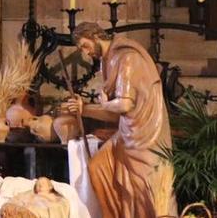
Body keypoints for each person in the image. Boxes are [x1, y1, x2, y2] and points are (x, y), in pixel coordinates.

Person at [62, 23, 176, 218]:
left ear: (95, 37)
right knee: (99, 167)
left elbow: (123, 105)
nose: (85, 53)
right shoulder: (108, 62)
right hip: (126, 132)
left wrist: (104, 104)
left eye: (84, 46)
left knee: (146, 188)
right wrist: (84, 109)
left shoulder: (127, 58)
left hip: (144, 135)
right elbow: (115, 114)